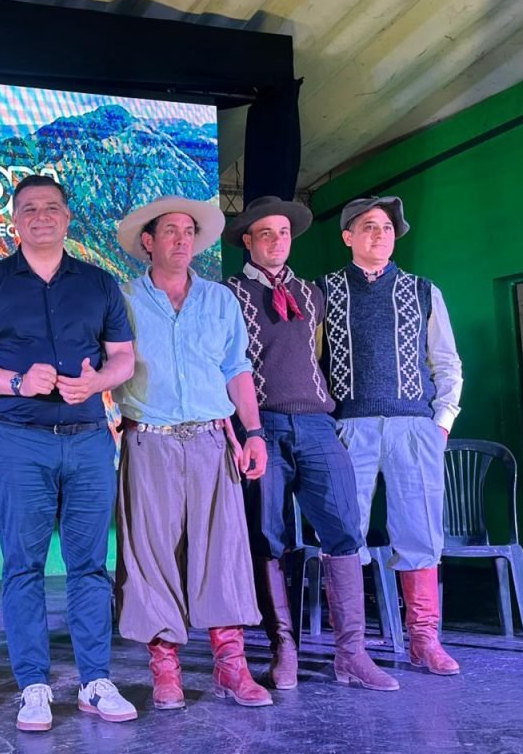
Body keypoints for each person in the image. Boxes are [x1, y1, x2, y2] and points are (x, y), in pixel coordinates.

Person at [0, 174, 137, 732]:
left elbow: (124, 357)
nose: (41, 216)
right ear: (14, 221)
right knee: (24, 567)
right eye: (29, 208)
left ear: (67, 217)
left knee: (90, 566)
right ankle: (33, 685)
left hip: (88, 439)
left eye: (51, 207)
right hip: (20, 441)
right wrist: (15, 382)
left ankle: (95, 681)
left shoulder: (100, 284)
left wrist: (97, 381)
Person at [221, 196, 399, 692]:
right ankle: (284, 649)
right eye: (266, 233)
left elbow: (320, 353)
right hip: (261, 424)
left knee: (344, 529)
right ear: (248, 241)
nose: (277, 240)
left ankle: (352, 654)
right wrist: (240, 430)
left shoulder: (309, 292)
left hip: (317, 423)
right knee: (268, 536)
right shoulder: (229, 293)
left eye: (283, 232)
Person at [113, 195, 271, 711]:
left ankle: (231, 665)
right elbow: (108, 366)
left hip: (210, 439)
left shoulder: (220, 300)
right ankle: (165, 668)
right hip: (148, 440)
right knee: (151, 555)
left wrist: (253, 432)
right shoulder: (123, 299)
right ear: (148, 241)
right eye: (171, 231)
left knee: (224, 550)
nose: (182, 240)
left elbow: (236, 368)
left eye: (189, 231)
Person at [318, 195, 463, 676]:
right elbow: (310, 365)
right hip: (349, 428)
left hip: (413, 427)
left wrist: (441, 422)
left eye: (385, 227)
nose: (379, 234)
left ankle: (424, 640)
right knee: (344, 536)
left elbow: (447, 362)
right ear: (348, 236)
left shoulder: (423, 291)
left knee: (420, 533)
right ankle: (350, 648)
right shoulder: (324, 292)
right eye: (368, 226)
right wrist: (326, 425)